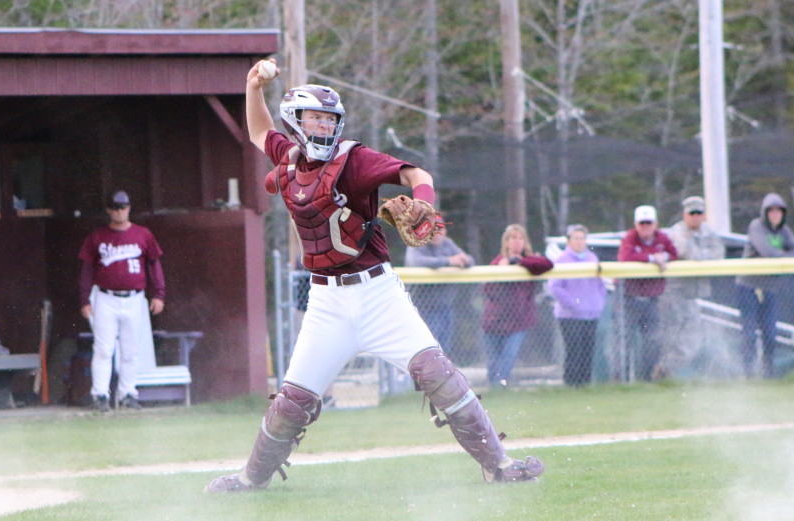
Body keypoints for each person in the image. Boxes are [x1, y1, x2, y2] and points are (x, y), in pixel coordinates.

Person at [205, 61, 544, 493]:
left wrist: (424, 200)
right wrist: (253, 86)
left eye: (330, 119)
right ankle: (251, 478)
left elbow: (415, 174)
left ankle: (499, 464)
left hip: (377, 292)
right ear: (295, 121)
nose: (324, 127)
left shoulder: (354, 159)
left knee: (438, 375)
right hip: (326, 301)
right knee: (293, 402)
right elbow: (257, 132)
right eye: (315, 118)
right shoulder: (288, 160)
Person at [78, 190, 166, 412]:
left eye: (124, 207)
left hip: (135, 298)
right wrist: (84, 299)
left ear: (129, 207)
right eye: (116, 207)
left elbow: (154, 265)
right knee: (103, 349)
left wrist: (158, 294)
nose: (120, 211)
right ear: (109, 210)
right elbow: (87, 270)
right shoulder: (97, 236)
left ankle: (128, 393)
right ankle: (100, 395)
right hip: (105, 297)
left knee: (131, 350)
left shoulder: (143, 235)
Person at [653, 196, 725, 379]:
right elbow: (687, 252)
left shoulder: (708, 232)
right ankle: (660, 374)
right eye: (691, 213)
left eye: (698, 213)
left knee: (692, 338)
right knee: (672, 337)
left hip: (693, 294)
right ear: (685, 214)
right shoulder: (676, 231)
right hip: (673, 293)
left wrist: (701, 254)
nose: (695, 217)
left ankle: (664, 373)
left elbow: (718, 253)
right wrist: (702, 254)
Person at [735, 193, 794, 378]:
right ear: (765, 212)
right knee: (749, 333)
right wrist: (783, 255)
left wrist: (781, 256)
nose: (775, 214)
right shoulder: (756, 226)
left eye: (778, 211)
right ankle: (748, 373)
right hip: (749, 286)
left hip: (770, 288)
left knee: (770, 333)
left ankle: (767, 373)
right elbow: (766, 251)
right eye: (771, 210)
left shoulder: (784, 231)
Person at [481, 224, 554, 387]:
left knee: (509, 356)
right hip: (494, 321)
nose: (517, 242)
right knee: (493, 360)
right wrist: (501, 270)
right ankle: (494, 391)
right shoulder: (498, 262)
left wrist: (520, 261)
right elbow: (486, 289)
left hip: (518, 322)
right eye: (513, 238)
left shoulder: (529, 261)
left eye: (520, 238)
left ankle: (500, 388)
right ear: (506, 242)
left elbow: (547, 264)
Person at [616, 205, 678, 381]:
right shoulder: (630, 238)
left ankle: (647, 381)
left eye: (648, 223)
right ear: (636, 224)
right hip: (627, 299)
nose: (645, 227)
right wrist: (653, 258)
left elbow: (674, 254)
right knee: (623, 342)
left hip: (652, 300)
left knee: (652, 342)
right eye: (641, 223)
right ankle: (620, 381)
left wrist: (664, 257)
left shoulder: (662, 238)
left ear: (655, 224)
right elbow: (625, 257)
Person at [404, 214, 474, 353]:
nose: (436, 232)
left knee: (443, 349)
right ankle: (411, 375)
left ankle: (439, 375)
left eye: (440, 228)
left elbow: (469, 260)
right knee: (425, 350)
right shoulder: (417, 242)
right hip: (421, 308)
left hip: (444, 307)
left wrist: (464, 260)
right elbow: (416, 262)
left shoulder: (447, 243)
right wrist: (448, 261)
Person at [548, 224, 606, 387]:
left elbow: (600, 284)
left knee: (588, 350)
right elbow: (555, 287)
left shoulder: (592, 258)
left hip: (590, 314)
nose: (580, 242)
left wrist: (598, 302)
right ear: (568, 241)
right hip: (570, 315)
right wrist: (574, 304)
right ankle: (571, 385)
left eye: (582, 238)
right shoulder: (562, 260)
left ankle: (585, 385)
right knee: (574, 350)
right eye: (576, 238)